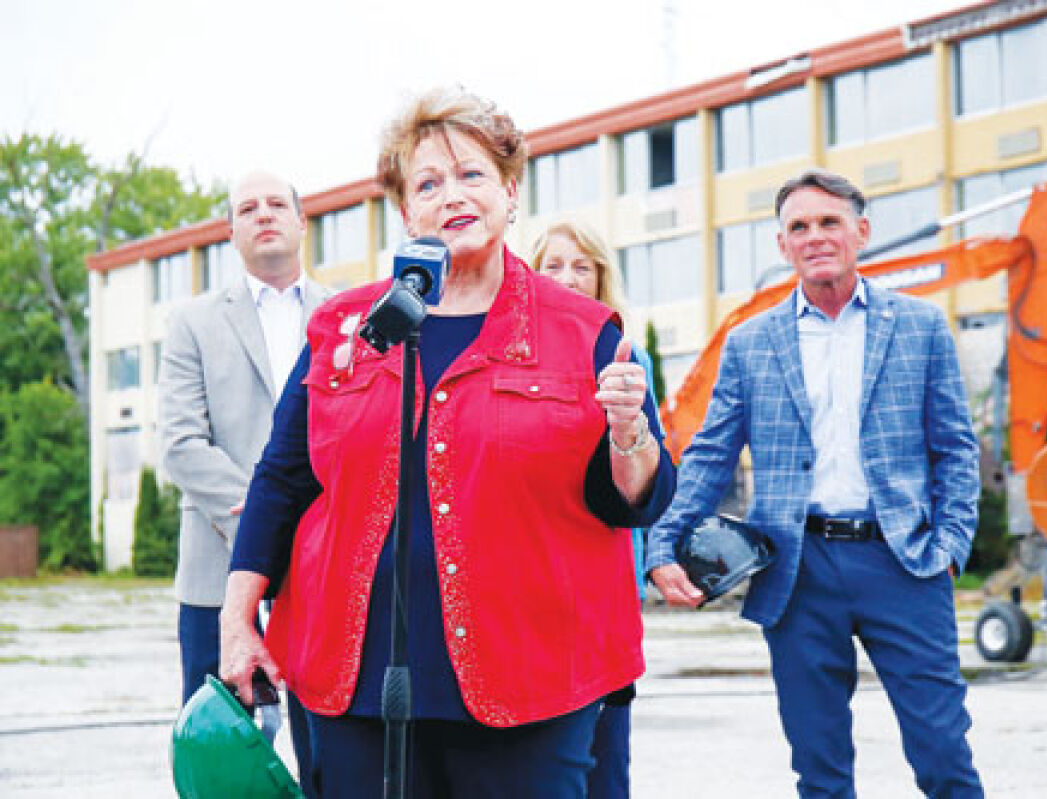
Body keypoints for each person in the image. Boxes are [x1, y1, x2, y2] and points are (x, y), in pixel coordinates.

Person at [218, 86, 676, 798]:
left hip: (532, 683)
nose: (451, 195)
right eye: (427, 183)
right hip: (352, 683)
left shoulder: (585, 329)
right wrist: (237, 616)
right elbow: (283, 479)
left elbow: (631, 500)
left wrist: (631, 436)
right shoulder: (342, 327)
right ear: (406, 211)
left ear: (510, 190)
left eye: (472, 175)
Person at [647, 168, 983, 797]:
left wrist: (951, 546)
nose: (815, 236)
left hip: (902, 563)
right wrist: (662, 546)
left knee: (943, 754)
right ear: (782, 246)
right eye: (798, 226)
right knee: (819, 768)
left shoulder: (920, 326)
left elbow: (957, 449)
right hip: (798, 571)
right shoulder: (750, 342)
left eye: (830, 222)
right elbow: (711, 456)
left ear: (861, 232)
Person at [159, 171, 330, 790]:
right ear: (231, 231)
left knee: (328, 749)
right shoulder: (193, 321)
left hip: (324, 569)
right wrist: (263, 515)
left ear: (301, 220)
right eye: (247, 208)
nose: (264, 215)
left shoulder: (346, 317)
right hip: (215, 568)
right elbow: (180, 443)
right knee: (224, 753)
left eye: (277, 203)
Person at [530, 220, 659, 799]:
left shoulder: (627, 356)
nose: (567, 278)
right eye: (553, 265)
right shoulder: (512, 355)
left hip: (602, 574)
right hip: (532, 571)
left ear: (602, 278)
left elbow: (651, 472)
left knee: (606, 749)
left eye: (582, 266)